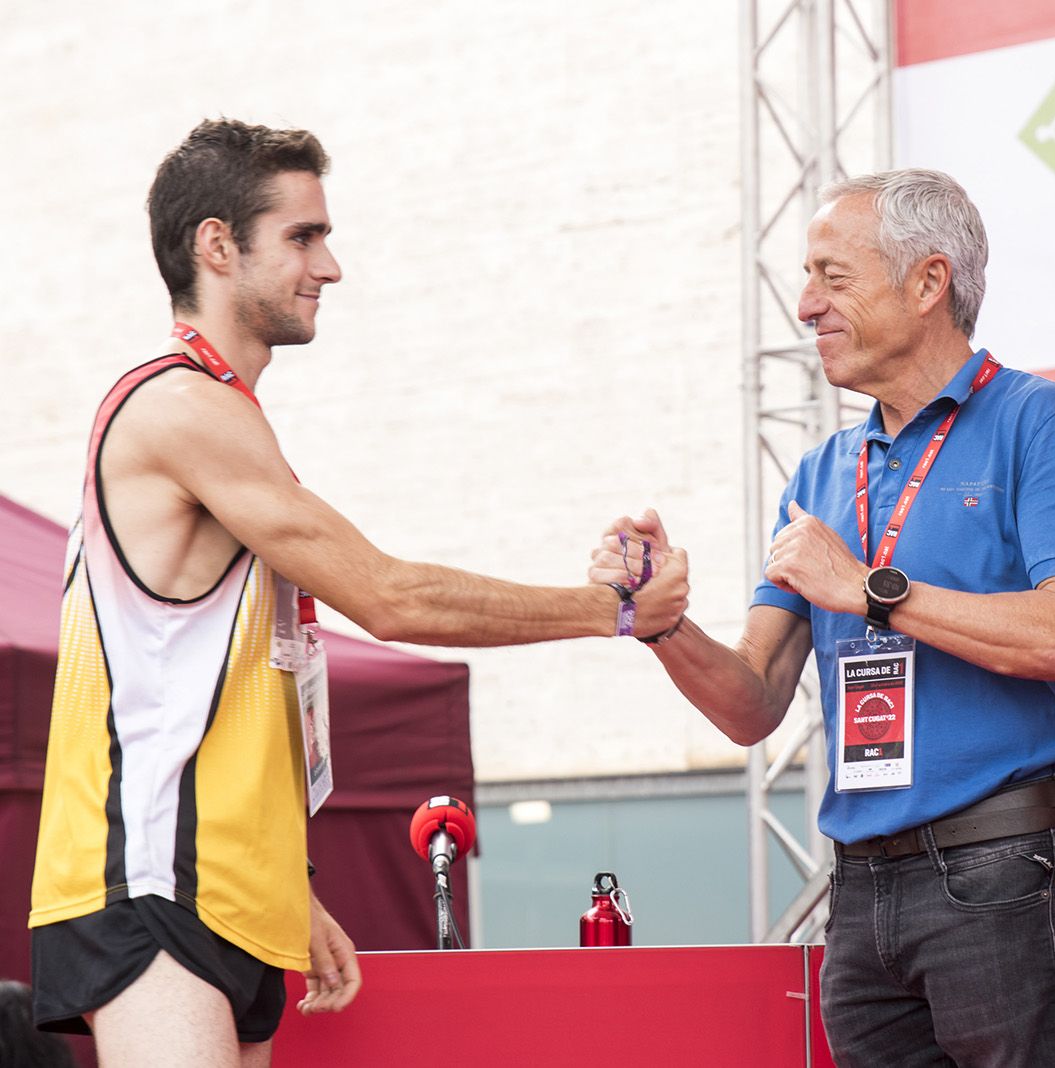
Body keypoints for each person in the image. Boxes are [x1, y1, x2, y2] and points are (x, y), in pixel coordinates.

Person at [28, 118, 688, 1067]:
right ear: (217, 244)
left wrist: (286, 882)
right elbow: (390, 597)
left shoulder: (228, 421)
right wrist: (613, 613)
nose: (329, 266)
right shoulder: (177, 407)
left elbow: (216, 689)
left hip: (221, 885)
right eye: (302, 236)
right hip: (147, 880)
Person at [590, 168, 1055, 1066]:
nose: (804, 305)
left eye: (834, 277)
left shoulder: (1040, 420)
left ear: (928, 283)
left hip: (1002, 868)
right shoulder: (821, 475)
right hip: (861, 885)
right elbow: (753, 702)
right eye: (808, 278)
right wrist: (661, 623)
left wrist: (875, 589)